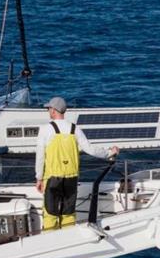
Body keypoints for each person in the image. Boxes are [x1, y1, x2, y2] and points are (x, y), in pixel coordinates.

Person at [35, 97, 119, 230]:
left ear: (54, 110)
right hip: (71, 178)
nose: (48, 111)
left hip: (52, 179)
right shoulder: (75, 129)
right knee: (69, 213)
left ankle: (50, 241)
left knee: (50, 213)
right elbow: (90, 149)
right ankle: (68, 238)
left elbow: (40, 156)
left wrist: (39, 178)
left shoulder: (45, 129)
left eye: (49, 108)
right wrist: (109, 152)